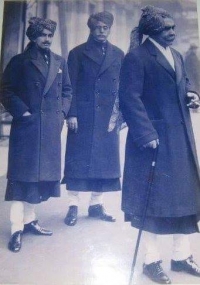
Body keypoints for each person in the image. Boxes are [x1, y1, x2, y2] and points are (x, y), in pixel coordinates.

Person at [119, 5, 200, 284]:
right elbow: (130, 99)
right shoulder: (137, 58)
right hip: (153, 142)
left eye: (173, 28)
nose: (172, 32)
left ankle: (180, 256)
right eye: (167, 29)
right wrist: (146, 134)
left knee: (184, 200)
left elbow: (182, 82)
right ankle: (150, 262)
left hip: (180, 141)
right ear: (152, 31)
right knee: (152, 204)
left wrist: (190, 93)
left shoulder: (176, 55)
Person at [0, 17, 72, 252]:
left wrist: (61, 113)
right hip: (28, 129)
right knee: (22, 179)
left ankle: (30, 221)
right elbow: (6, 90)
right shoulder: (20, 62)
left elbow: (68, 91)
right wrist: (24, 113)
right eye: (43, 35)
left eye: (50, 35)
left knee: (38, 179)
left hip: (50, 127)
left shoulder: (60, 61)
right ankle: (16, 229)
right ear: (33, 36)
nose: (47, 39)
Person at [62, 11, 124, 226]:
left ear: (110, 29)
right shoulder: (77, 53)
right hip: (83, 117)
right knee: (78, 161)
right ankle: (73, 206)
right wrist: (72, 113)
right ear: (91, 29)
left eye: (105, 27)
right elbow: (70, 87)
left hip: (108, 117)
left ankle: (96, 204)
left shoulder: (118, 54)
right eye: (97, 27)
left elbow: (121, 88)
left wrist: (120, 115)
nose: (101, 31)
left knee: (103, 163)